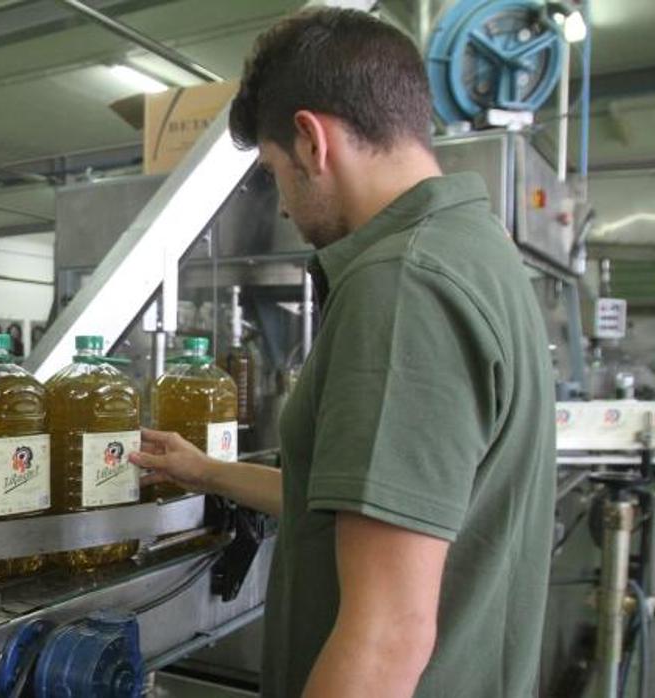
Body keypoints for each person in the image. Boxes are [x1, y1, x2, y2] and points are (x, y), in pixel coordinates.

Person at [129, 8, 555, 698]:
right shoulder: (474, 248)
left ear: (311, 141)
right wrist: (204, 470)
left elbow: (387, 637)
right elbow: (361, 500)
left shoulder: (402, 285)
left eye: (274, 172)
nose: (287, 208)